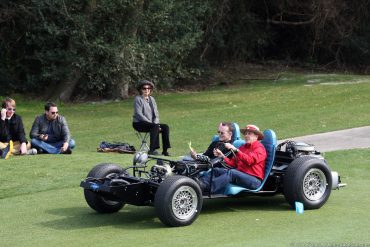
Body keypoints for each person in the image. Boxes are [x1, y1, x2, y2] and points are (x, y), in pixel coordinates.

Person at [198, 124, 267, 193]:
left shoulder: (259, 148)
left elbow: (249, 160)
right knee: (217, 170)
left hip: (254, 180)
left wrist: (236, 150)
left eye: (249, 134)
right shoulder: (243, 147)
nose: (246, 136)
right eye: (245, 134)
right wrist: (222, 156)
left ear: (256, 136)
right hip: (241, 174)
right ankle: (199, 183)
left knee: (232, 173)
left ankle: (206, 188)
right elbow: (233, 164)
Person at [132, 79, 171, 156]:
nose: (146, 90)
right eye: (144, 88)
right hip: (139, 123)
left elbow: (156, 114)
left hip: (152, 124)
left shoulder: (152, 99)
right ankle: (152, 150)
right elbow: (139, 114)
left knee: (165, 127)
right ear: (141, 90)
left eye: (148, 88)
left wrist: (157, 124)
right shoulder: (138, 99)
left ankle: (165, 150)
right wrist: (153, 124)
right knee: (155, 126)